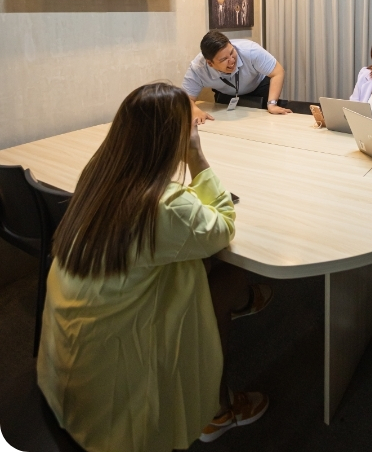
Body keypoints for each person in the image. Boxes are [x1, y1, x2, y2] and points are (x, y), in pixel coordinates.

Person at [37, 83, 270, 452]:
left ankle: (240, 310)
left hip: (68, 362)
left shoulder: (98, 177)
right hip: (116, 378)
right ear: (172, 139)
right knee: (231, 273)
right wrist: (196, 157)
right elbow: (223, 226)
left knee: (199, 262)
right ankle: (218, 409)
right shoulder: (163, 205)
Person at [183, 30, 292, 124]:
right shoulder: (198, 68)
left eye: (232, 52)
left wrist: (272, 104)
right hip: (226, 96)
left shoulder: (251, 51)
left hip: (258, 88)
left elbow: (278, 71)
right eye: (223, 59)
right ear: (210, 63)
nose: (232, 60)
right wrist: (194, 109)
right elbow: (185, 98)